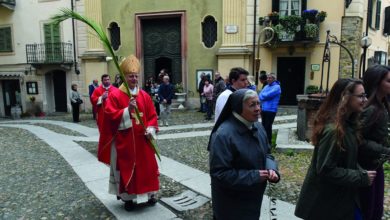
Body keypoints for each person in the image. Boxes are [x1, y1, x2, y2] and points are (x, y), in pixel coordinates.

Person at [295, 78, 377, 220]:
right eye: (361, 96)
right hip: (326, 204)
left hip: (341, 200)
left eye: (365, 95)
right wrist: (360, 177)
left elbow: (347, 160)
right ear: (345, 98)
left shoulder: (349, 125)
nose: (365, 99)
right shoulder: (333, 130)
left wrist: (361, 171)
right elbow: (325, 169)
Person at [98, 55, 159, 211]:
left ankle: (150, 194)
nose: (134, 78)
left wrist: (151, 128)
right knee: (128, 170)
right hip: (126, 142)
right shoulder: (116, 95)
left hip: (143, 141)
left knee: (148, 169)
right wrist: (127, 111)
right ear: (124, 76)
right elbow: (110, 115)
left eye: (136, 76)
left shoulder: (144, 96)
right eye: (131, 76)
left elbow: (152, 115)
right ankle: (129, 199)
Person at [209, 89, 280, 220]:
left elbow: (267, 153)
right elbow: (219, 174)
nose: (258, 109)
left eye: (259, 104)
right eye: (252, 105)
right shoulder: (223, 135)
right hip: (231, 204)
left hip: (252, 198)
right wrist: (255, 176)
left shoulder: (258, 127)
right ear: (238, 107)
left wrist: (271, 169)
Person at [359, 65, 390, 220]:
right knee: (368, 211)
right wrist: (385, 151)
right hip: (366, 169)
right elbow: (357, 140)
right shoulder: (370, 109)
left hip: (376, 166)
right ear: (377, 83)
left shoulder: (383, 105)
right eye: (389, 81)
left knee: (375, 210)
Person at [259, 73, 281, 144]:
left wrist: (264, 96)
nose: (268, 79)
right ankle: (264, 141)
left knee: (268, 126)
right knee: (263, 126)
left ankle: (268, 142)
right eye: (267, 78)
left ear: (274, 79)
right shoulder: (266, 86)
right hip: (264, 109)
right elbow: (260, 95)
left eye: (270, 78)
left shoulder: (277, 87)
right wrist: (264, 96)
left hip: (271, 109)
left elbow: (267, 95)